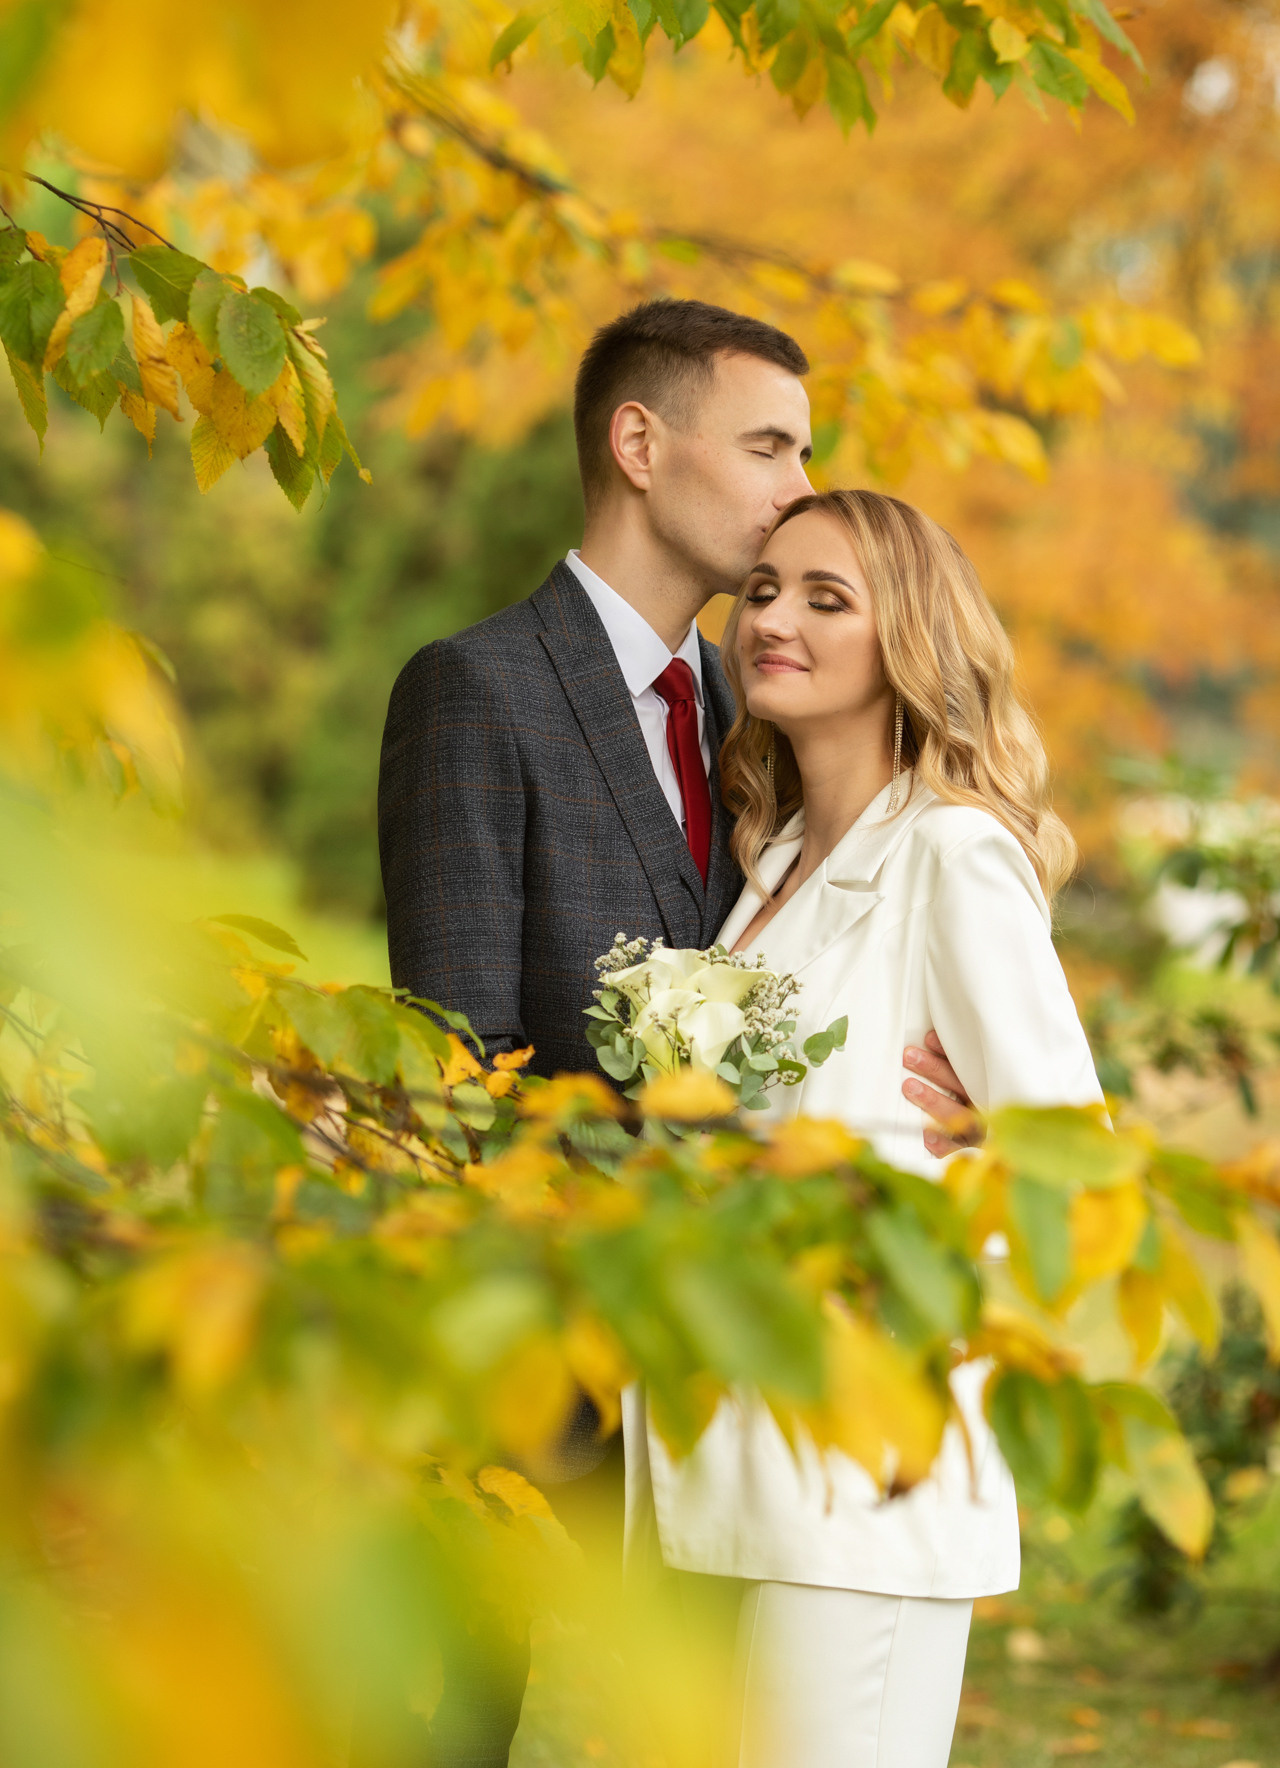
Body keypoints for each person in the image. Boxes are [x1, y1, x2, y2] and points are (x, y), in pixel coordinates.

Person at [378, 304, 981, 1766]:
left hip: (731, 1386)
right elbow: (461, 1072)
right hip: (549, 1348)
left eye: (806, 453)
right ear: (640, 445)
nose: (796, 485)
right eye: (769, 445)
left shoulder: (757, 706)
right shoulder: (477, 689)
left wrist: (948, 1096)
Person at [623, 488, 1104, 1768]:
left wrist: (989, 1154)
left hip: (858, 1487)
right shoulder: (766, 870)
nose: (771, 619)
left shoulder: (950, 856)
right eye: (762, 590)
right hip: (720, 1480)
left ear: (910, 644)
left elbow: (1077, 1171)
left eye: (825, 599)